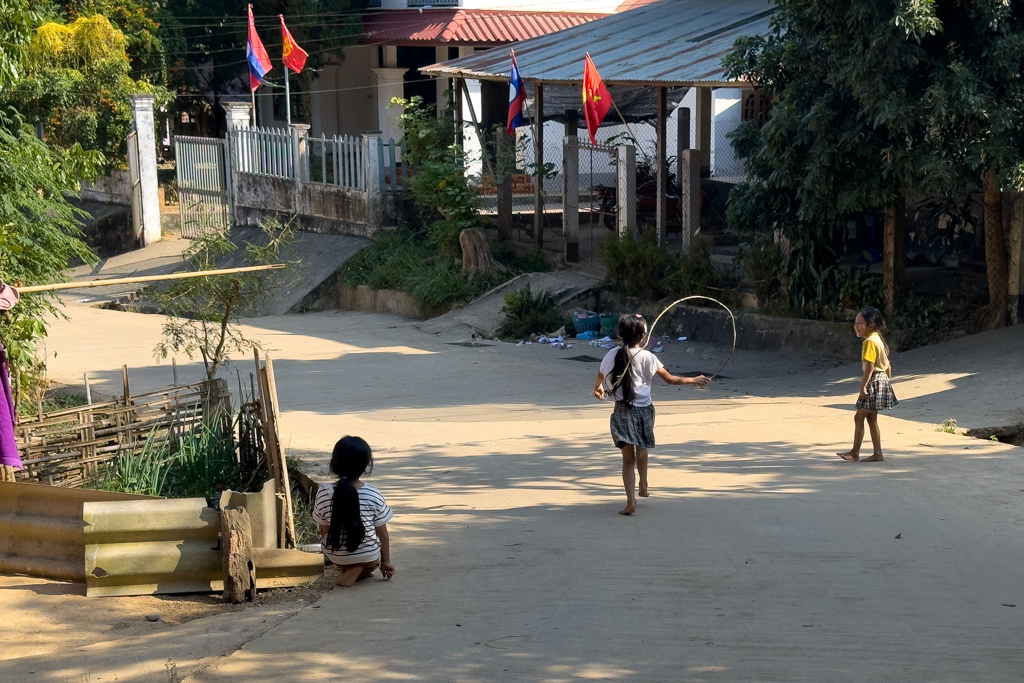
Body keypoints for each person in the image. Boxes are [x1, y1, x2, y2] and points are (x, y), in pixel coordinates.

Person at [593, 313, 710, 515]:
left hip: (621, 411)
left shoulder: (611, 354)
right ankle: (644, 484)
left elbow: (600, 375)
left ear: (621, 334)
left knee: (627, 459)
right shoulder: (648, 357)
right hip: (644, 410)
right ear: (642, 337)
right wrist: (694, 379)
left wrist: (598, 388)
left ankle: (631, 502)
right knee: (642, 448)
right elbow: (671, 380)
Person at [312, 436, 396, 586]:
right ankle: (359, 567)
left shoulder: (323, 492)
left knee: (342, 553)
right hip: (369, 555)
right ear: (366, 466)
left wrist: (337, 551)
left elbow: (325, 530)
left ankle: (350, 567)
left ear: (334, 463)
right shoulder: (373, 494)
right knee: (371, 560)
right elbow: (382, 533)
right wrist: (386, 562)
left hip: (335, 557)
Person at [838, 307, 898, 462]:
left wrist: (863, 386)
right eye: (855, 323)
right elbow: (888, 365)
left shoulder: (869, 342)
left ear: (870, 325)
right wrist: (886, 381)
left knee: (859, 417)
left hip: (874, 381)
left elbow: (870, 366)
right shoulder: (878, 338)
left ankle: (854, 453)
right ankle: (877, 453)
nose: (856, 326)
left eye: (860, 323)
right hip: (882, 380)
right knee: (871, 418)